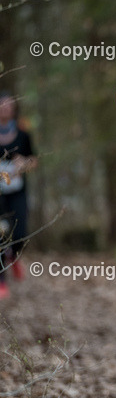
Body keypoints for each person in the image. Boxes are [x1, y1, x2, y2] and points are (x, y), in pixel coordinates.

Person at [0, 92, 38, 299]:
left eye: (10, 105)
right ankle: (1, 279)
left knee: (20, 231)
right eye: (3, 105)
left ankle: (14, 255)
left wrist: (24, 164)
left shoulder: (23, 134)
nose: (7, 108)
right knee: (0, 232)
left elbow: (34, 160)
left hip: (18, 191)